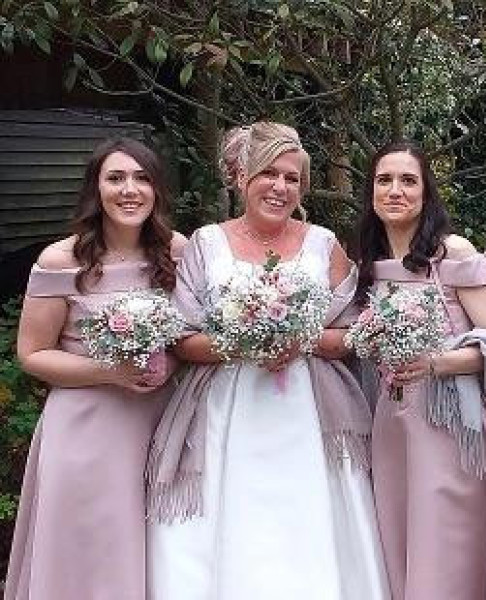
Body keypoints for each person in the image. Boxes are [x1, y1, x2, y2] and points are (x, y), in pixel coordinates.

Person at [146, 121, 389, 599]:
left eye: (292, 178)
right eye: (268, 174)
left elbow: (354, 332)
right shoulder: (206, 243)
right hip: (226, 408)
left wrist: (301, 340)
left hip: (310, 409)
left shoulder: (323, 243)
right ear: (241, 177)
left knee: (308, 521)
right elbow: (183, 339)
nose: (280, 187)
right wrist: (243, 342)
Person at [351, 140, 486, 600]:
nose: (395, 190)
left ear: (426, 191)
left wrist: (437, 363)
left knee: (448, 542)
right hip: (391, 421)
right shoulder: (369, 260)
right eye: (384, 180)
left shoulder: (450, 252)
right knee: (400, 533)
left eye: (408, 181)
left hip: (450, 422)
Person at [4, 138, 186, 599]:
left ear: (157, 189)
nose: (130, 190)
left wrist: (171, 361)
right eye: (115, 178)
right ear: (96, 189)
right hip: (86, 428)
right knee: (91, 551)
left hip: (161, 422)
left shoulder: (177, 251)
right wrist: (110, 372)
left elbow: (190, 334)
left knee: (160, 553)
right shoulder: (61, 259)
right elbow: (32, 354)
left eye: (142, 178)